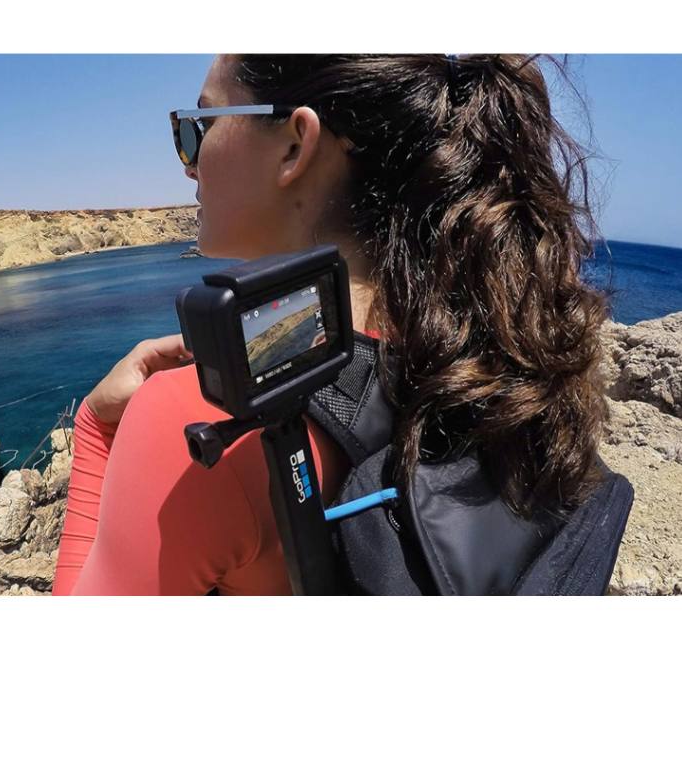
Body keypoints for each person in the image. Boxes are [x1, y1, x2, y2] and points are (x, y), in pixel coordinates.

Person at [52, 54, 609, 595]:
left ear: (295, 145)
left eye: (200, 125)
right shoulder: (489, 342)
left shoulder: (193, 422)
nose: (187, 163)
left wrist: (95, 428)